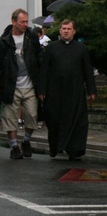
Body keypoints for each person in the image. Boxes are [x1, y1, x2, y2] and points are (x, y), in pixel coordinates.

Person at [38, 19, 96, 160]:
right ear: (60, 30)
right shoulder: (52, 48)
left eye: (69, 28)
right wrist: (41, 90)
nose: (66, 31)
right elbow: (44, 70)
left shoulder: (81, 49)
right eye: (63, 28)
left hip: (75, 91)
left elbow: (87, 70)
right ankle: (56, 147)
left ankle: (75, 150)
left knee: (78, 122)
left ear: (74, 31)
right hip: (55, 92)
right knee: (55, 120)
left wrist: (92, 90)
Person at [0, 8, 42, 159]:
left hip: (30, 84)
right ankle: (14, 146)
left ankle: (26, 140)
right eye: (22, 22)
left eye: (27, 21)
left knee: (32, 114)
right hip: (11, 84)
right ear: (13, 21)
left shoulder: (31, 38)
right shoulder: (4, 41)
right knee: (10, 117)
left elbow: (40, 57)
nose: (25, 24)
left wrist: (41, 81)